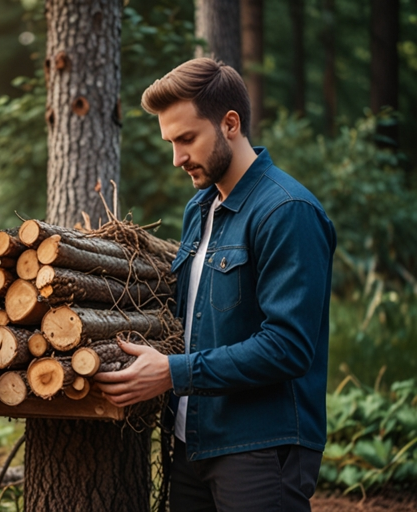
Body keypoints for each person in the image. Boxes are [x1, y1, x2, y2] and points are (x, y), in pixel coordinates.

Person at [94, 58, 336, 511]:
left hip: (261, 448)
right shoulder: (199, 209)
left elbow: (288, 346)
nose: (177, 158)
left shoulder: (288, 211)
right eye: (171, 142)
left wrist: (172, 372)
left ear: (230, 124)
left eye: (187, 139)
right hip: (192, 442)